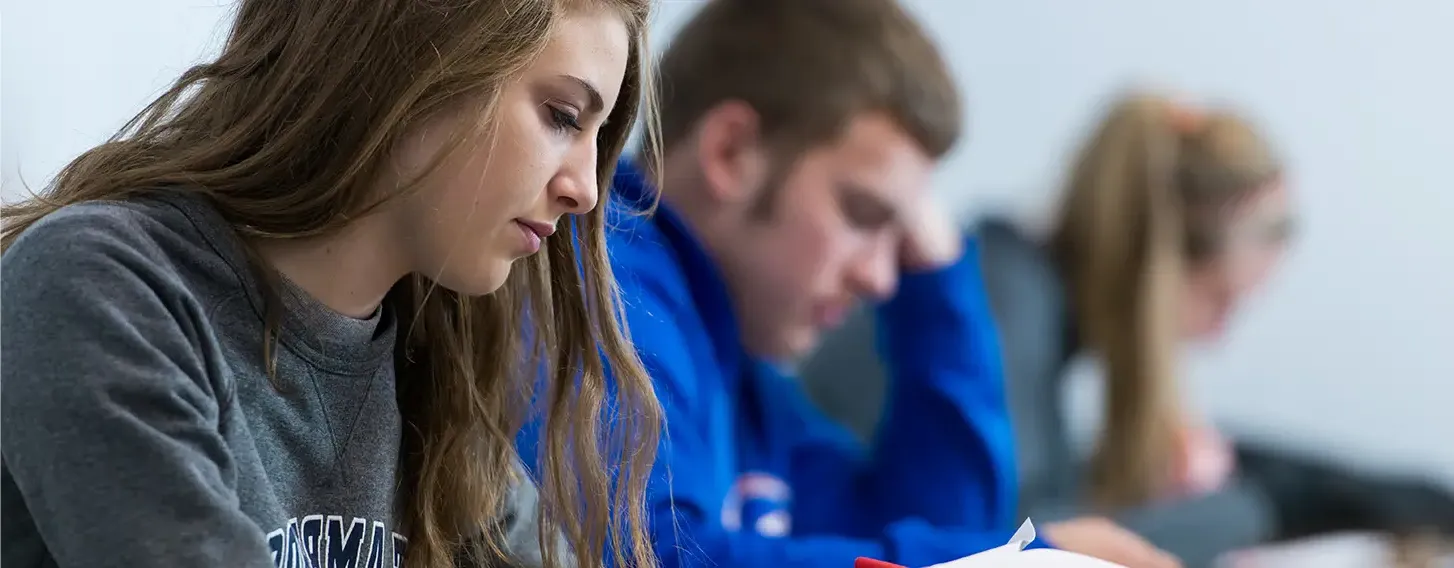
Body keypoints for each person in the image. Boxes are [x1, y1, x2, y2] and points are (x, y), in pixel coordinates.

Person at [515, 1, 1181, 567]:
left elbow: (930, 523)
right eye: (864, 215)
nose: (881, 276)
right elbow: (653, 554)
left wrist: (938, 283)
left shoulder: (746, 374)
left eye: (903, 241)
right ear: (731, 154)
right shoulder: (603, 279)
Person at [0, 1, 665, 567]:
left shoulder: (435, 375)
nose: (583, 189)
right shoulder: (98, 285)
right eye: (562, 115)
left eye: (597, 137)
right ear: (418, 58)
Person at [801, 92, 1454, 567]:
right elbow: (1008, 548)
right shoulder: (1004, 309)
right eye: (1220, 301)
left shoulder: (1020, 291)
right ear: (1160, 270)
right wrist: (1250, 510)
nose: (1217, 336)